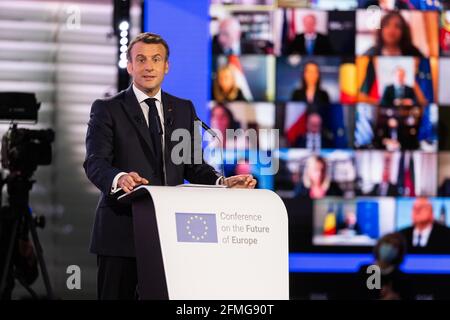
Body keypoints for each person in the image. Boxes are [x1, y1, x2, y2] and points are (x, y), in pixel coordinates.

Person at [83, 32, 257, 300]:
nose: (148, 66)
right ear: (129, 66)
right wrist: (119, 178)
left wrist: (222, 183)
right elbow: (95, 162)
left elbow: (193, 165)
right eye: (140, 59)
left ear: (167, 66)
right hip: (120, 232)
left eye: (156, 59)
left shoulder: (183, 108)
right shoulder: (107, 109)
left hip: (170, 236)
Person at [356, 233, 413, 300]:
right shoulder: (364, 271)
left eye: (395, 246)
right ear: (379, 245)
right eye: (387, 243)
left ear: (399, 252)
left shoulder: (403, 279)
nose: (390, 248)